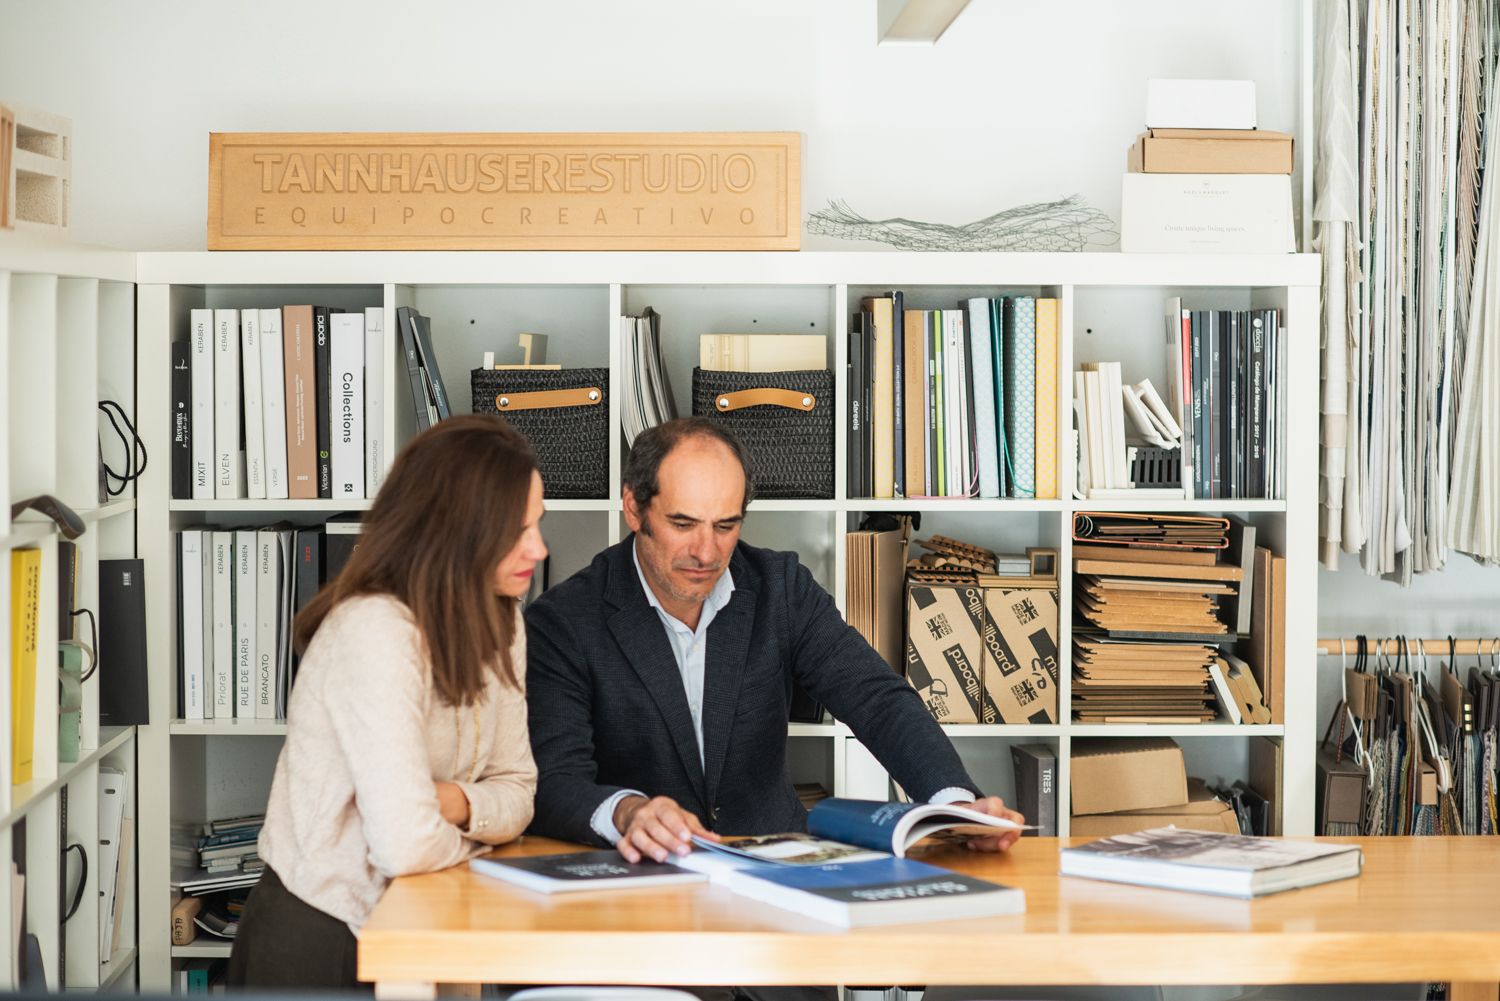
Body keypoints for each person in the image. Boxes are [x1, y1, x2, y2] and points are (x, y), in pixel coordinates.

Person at [524, 417, 1024, 869]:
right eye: (682, 524)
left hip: (774, 869)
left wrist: (953, 803)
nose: (706, 552)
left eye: (726, 526)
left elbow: (875, 698)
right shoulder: (565, 621)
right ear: (635, 507)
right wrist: (629, 811)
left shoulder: (780, 588)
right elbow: (556, 781)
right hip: (641, 878)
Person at [227, 415, 548, 991]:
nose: (540, 549)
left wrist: (450, 803)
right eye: (517, 530)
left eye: (537, 525)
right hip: (321, 933)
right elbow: (405, 843)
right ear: (459, 530)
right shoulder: (375, 629)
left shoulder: (504, 623)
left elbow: (519, 790)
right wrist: (474, 830)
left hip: (428, 920)